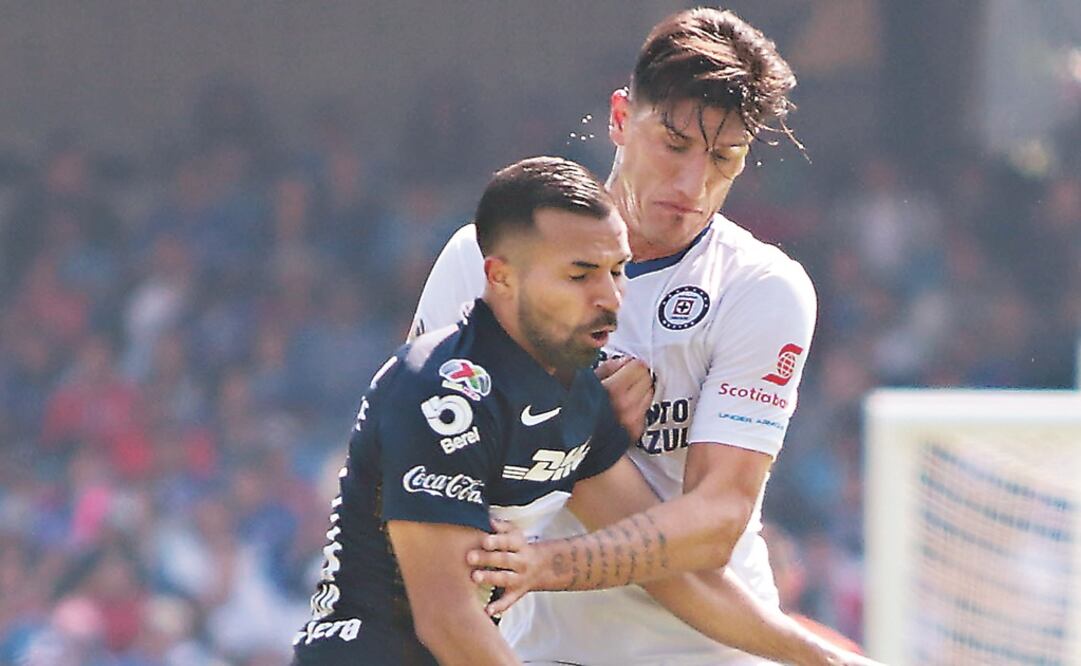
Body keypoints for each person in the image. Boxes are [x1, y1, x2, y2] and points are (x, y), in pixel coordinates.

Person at [410, 8, 869, 666]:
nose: (692, 183)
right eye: (674, 143)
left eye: (724, 158)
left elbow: (714, 521)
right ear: (621, 119)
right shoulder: (483, 261)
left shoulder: (761, 288)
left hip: (714, 655)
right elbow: (419, 475)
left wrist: (548, 559)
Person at [292, 157, 842, 666]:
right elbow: (448, 621)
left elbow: (669, 571)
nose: (610, 297)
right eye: (580, 275)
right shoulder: (444, 392)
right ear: (501, 276)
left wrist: (830, 660)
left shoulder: (574, 399)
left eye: (617, 271)